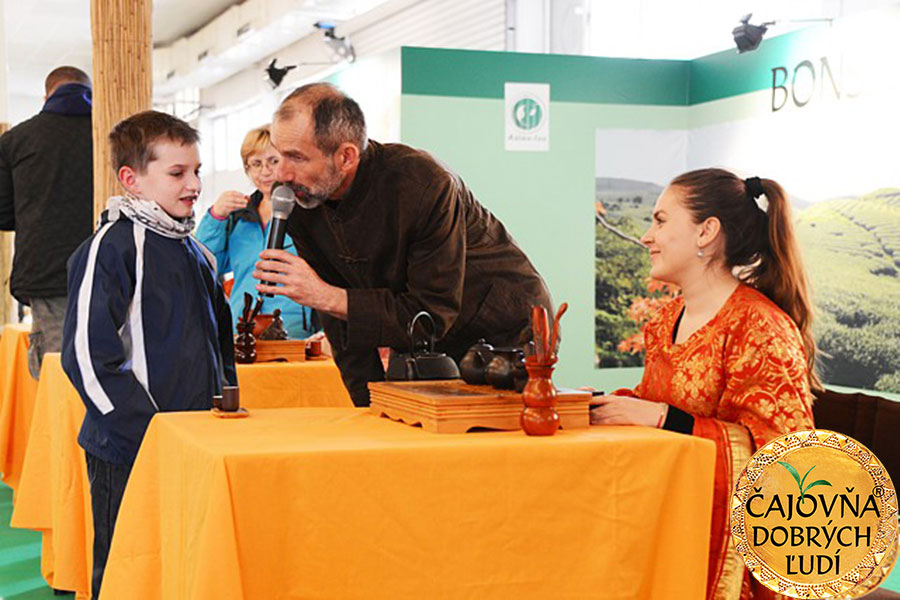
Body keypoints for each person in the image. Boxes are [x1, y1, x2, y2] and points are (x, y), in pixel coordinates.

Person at [589, 168, 817, 600]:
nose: (646, 237)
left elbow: (789, 465)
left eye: (659, 221)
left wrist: (665, 419)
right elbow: (658, 410)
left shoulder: (760, 326)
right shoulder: (664, 321)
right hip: (671, 527)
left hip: (739, 560)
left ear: (706, 232)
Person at [254, 83, 552, 406]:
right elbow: (340, 319)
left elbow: (431, 314)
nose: (280, 173)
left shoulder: (423, 185)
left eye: (296, 157)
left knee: (490, 448)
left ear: (346, 157)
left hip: (503, 328)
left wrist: (324, 294)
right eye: (278, 155)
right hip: (421, 339)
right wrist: (368, 406)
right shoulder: (302, 200)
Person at [61, 111, 236, 599]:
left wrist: (221, 409)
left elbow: (219, 347)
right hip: (129, 448)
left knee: (180, 563)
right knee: (126, 569)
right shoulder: (112, 247)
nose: (195, 184)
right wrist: (150, 432)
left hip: (193, 444)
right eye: (178, 173)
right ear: (131, 179)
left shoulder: (196, 252)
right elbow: (85, 358)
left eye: (197, 171)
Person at [0, 66, 94, 378]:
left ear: (47, 95)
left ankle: (62, 428)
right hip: (108, 265)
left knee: (58, 370)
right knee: (108, 365)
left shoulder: (16, 140)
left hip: (46, 269)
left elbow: (3, 215)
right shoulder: (111, 134)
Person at [195, 125, 318, 339]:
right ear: (247, 169)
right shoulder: (237, 216)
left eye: (273, 161)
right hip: (241, 330)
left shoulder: (309, 212)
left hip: (295, 332)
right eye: (256, 164)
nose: (265, 171)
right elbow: (205, 264)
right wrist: (216, 216)